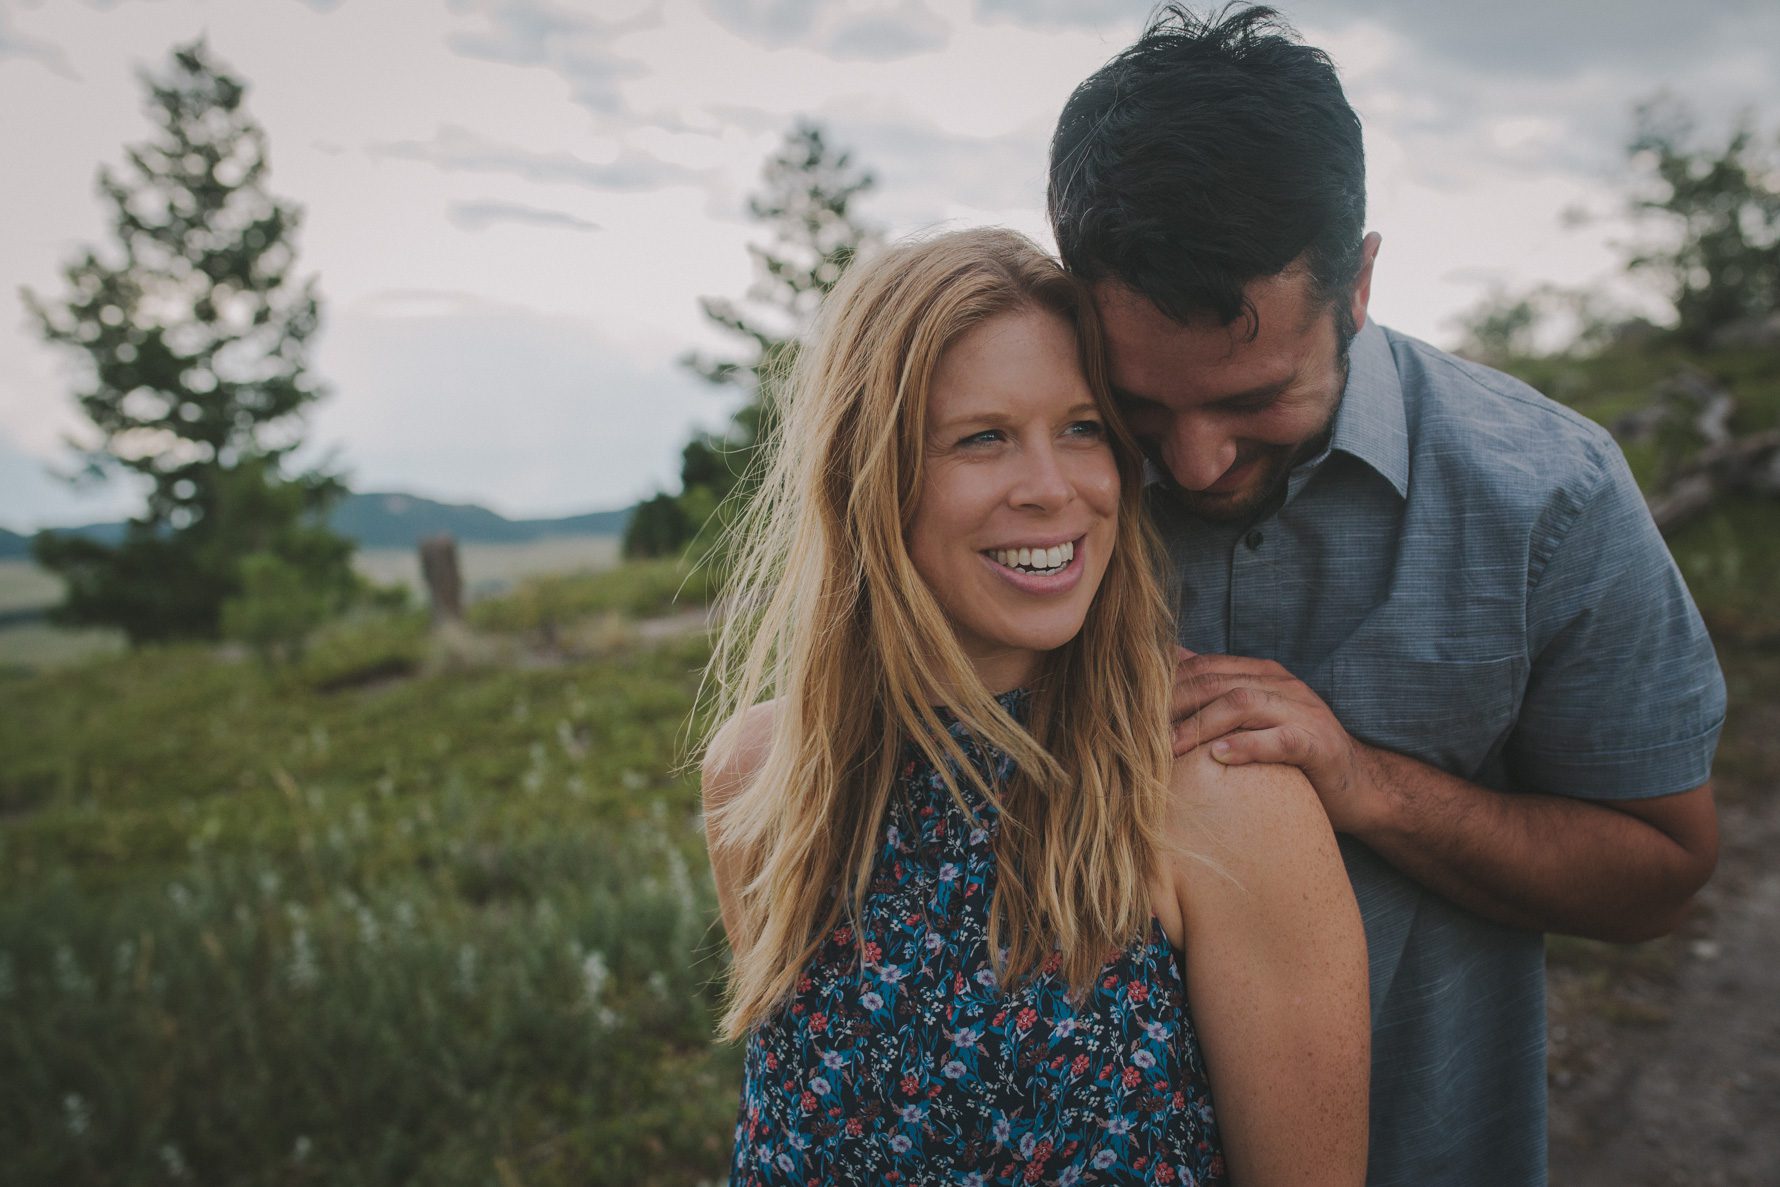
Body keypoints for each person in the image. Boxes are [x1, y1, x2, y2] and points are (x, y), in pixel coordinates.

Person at [1046, 7, 1726, 1186]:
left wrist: (1364, 785)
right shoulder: (1018, 489)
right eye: (1142, 406)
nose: (1194, 461)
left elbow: (1659, 872)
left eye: (1254, 396)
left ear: (1357, 280)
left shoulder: (1548, 498)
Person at [701, 226, 1368, 1185]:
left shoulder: (1217, 795)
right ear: (869, 474)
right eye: (984, 438)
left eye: (1084, 428)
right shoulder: (761, 780)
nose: (1054, 489)